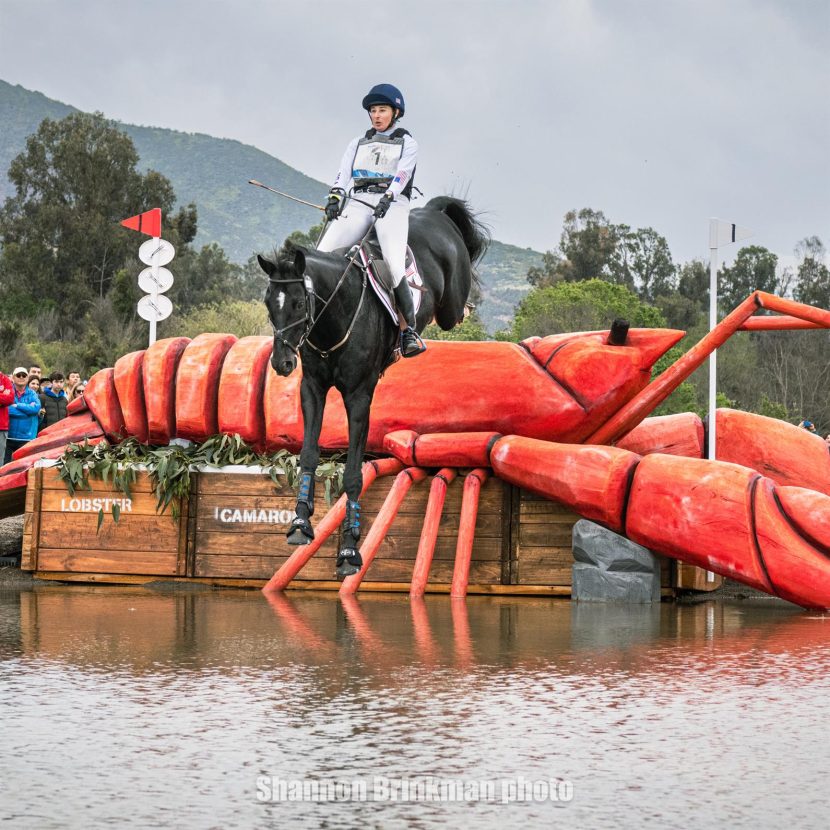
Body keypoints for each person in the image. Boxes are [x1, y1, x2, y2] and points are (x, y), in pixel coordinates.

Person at [317, 83, 425, 358]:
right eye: (373, 111)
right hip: (360, 201)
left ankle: (407, 330)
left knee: (392, 260)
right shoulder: (358, 142)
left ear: (395, 112)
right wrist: (335, 196)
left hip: (392, 204)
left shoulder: (407, 142)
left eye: (382, 110)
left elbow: (402, 174)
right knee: (320, 256)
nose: (377, 115)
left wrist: (389, 196)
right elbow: (343, 173)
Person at [5, 367, 41, 464]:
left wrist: (17, 405)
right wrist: (26, 411)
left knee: (22, 468)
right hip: (7, 437)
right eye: (18, 375)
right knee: (4, 468)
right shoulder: (7, 391)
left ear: (27, 377)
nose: (21, 377)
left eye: (24, 375)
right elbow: (6, 410)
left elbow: (35, 409)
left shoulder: (33, 393)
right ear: (13, 377)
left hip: (26, 438)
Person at [0, 370, 13, 466]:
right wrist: (3, 395)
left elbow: (10, 398)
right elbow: (5, 398)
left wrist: (5, 397)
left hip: (1, 427)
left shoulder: (5, 379)